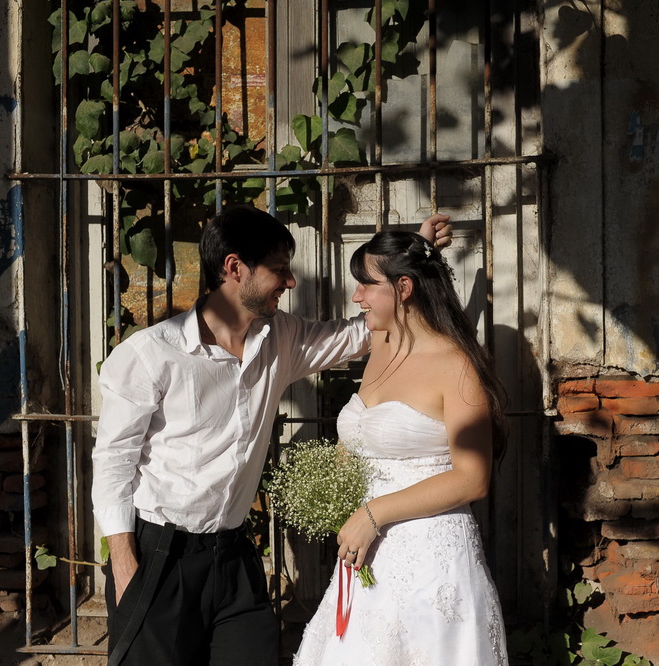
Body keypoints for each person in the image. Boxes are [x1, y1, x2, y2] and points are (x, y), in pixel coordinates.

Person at [91, 205, 451, 666]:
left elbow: (363, 332)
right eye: (279, 270)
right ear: (234, 268)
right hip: (161, 557)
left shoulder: (280, 338)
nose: (291, 282)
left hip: (235, 557)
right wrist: (125, 566)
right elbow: (113, 462)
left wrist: (411, 259)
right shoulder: (148, 355)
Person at [293, 230, 509, 665]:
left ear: (404, 288)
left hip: (430, 560)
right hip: (365, 553)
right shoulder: (380, 344)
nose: (356, 297)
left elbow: (473, 478)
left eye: (366, 284)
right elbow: (365, 435)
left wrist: (374, 515)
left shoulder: (458, 366)